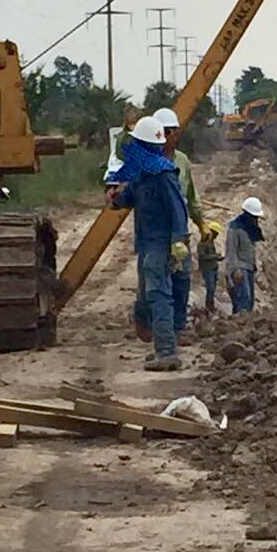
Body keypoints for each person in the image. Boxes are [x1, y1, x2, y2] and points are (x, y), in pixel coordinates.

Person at [109, 116, 190, 371]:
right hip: (146, 244)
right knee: (145, 297)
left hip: (159, 244)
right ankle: (159, 343)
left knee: (158, 295)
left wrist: (178, 240)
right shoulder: (143, 172)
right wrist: (115, 199)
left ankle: (166, 352)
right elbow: (128, 197)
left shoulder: (164, 173)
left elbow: (178, 208)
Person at [153, 108, 211, 339]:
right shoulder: (147, 163)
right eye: (165, 132)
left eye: (172, 132)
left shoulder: (182, 161)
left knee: (181, 281)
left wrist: (201, 223)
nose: (169, 136)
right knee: (157, 286)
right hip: (155, 235)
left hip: (180, 233)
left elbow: (191, 197)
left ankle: (177, 327)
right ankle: (159, 330)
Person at [226, 197, 265, 314]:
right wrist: (235, 270)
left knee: (250, 301)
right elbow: (231, 250)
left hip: (249, 268)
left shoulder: (250, 230)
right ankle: (239, 326)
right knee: (244, 299)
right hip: (240, 269)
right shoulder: (235, 229)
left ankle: (246, 326)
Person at [197, 220, 224, 312]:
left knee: (213, 289)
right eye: (216, 233)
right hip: (207, 269)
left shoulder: (210, 242)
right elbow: (202, 256)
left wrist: (217, 258)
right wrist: (215, 256)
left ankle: (210, 305)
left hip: (213, 268)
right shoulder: (203, 243)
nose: (217, 235)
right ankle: (209, 307)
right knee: (210, 288)